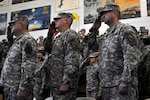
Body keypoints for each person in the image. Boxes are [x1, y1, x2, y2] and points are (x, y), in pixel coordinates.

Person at [90, 4, 141, 100]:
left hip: (121, 85)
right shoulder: (107, 34)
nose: (102, 16)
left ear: (114, 13)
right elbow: (93, 46)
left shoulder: (124, 30)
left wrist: (125, 81)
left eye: (105, 13)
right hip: (107, 86)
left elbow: (131, 58)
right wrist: (94, 29)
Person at [44, 12, 81, 100]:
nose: (54, 21)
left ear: (66, 21)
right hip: (56, 82)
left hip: (63, 83)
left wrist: (66, 82)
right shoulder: (59, 37)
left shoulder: (71, 35)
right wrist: (50, 34)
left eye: (57, 19)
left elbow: (72, 60)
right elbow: (48, 49)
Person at [0, 15, 37, 100]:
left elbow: (28, 66)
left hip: (18, 89)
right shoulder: (18, 41)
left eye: (13, 24)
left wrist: (23, 88)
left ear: (21, 25)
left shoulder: (27, 40)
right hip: (10, 88)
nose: (10, 26)